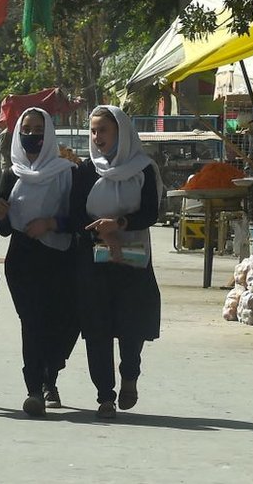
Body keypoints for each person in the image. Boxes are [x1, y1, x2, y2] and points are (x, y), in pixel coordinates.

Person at [71, 105, 162, 419]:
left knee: (131, 326)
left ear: (120, 132)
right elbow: (75, 213)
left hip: (133, 262)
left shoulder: (143, 169)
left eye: (103, 131)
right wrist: (101, 234)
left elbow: (152, 211)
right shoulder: (86, 170)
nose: (97, 138)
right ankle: (104, 396)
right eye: (93, 131)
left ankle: (130, 375)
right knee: (96, 329)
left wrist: (119, 225)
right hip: (94, 262)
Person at [0, 108, 80, 418]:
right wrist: (0, 215)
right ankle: (35, 389)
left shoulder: (67, 172)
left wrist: (51, 224)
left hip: (60, 258)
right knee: (32, 324)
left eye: (38, 129)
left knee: (64, 323)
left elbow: (79, 218)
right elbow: (3, 228)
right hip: (23, 259)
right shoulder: (11, 175)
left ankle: (50, 375)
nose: (32, 135)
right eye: (26, 129)